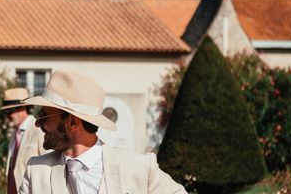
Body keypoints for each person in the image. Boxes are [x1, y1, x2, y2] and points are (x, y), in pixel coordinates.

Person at [18, 70, 187, 194]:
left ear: (73, 122)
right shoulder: (36, 170)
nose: (38, 123)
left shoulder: (138, 167)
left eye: (44, 116)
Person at [0, 87, 48, 194]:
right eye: (6, 112)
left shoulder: (38, 130)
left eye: (10, 111)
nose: (8, 116)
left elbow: (49, 166)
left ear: (22, 108)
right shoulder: (14, 133)